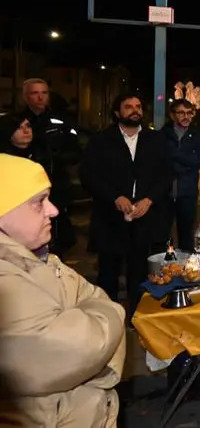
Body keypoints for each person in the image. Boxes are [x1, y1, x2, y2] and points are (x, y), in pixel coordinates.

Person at [0, 154, 126, 427]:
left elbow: (94, 299)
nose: (53, 210)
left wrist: (90, 317)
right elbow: (78, 349)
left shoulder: (40, 259)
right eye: (38, 202)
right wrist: (106, 317)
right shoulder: (5, 281)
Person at [80, 92, 172, 318]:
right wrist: (115, 197)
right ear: (116, 112)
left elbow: (166, 175)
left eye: (138, 106)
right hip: (110, 218)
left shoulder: (155, 139)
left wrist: (149, 199)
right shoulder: (101, 140)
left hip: (144, 217)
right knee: (108, 272)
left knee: (139, 272)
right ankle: (106, 319)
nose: (135, 110)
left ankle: (136, 318)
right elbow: (89, 176)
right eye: (128, 106)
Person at [20, 78, 81, 255]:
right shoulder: (16, 122)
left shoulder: (61, 121)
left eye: (44, 93)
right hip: (25, 188)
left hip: (56, 185)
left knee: (57, 234)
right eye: (34, 93)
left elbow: (76, 151)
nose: (40, 97)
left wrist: (57, 159)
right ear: (25, 96)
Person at [161, 99, 200, 251]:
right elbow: (159, 161)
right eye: (181, 112)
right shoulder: (162, 135)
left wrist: (174, 156)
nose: (186, 116)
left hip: (187, 191)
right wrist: (183, 161)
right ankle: (164, 267)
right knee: (162, 234)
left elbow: (197, 161)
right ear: (172, 115)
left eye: (189, 113)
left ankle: (186, 267)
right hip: (163, 192)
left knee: (186, 234)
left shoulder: (198, 136)